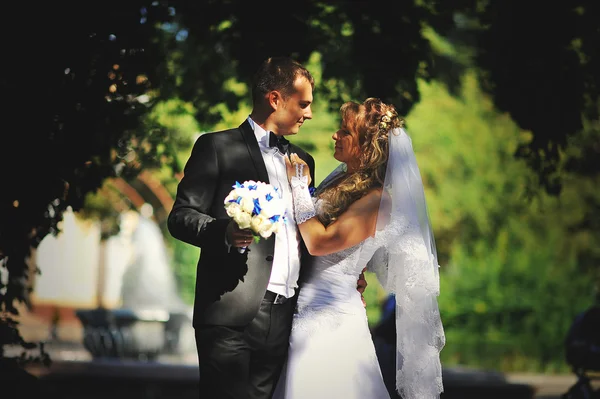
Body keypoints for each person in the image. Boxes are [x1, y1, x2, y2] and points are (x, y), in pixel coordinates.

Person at [167, 56, 367, 399]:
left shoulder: (306, 161)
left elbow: (309, 232)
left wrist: (349, 272)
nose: (310, 114)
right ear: (275, 99)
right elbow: (181, 216)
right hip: (230, 310)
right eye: (303, 104)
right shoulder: (217, 147)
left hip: (286, 315)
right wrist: (224, 232)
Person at [273, 98, 445, 399]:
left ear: (367, 147)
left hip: (330, 322)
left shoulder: (377, 200)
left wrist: (299, 187)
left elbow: (320, 242)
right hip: (302, 312)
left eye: (345, 132)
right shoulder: (341, 178)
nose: (334, 136)